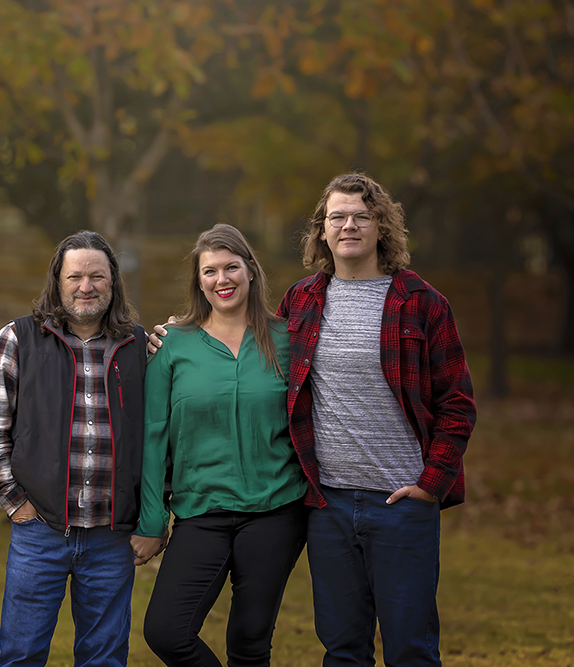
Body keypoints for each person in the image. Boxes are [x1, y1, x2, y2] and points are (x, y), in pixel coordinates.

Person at [278, 173, 477, 666]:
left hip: (402, 504)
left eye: (361, 216)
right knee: (343, 650)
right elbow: (255, 367)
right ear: (322, 231)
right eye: (337, 217)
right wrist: (178, 338)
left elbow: (457, 403)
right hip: (327, 506)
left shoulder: (423, 303)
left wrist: (430, 486)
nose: (349, 225)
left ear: (381, 227)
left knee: (410, 649)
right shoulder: (300, 301)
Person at [133, 224, 308, 667]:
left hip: (275, 511)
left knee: (250, 642)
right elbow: (153, 438)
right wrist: (152, 521)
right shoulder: (173, 346)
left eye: (232, 267)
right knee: (167, 632)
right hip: (200, 513)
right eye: (209, 271)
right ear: (199, 281)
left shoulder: (288, 340)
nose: (221, 279)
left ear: (251, 271)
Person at [0, 230, 148, 667]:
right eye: (75, 277)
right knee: (21, 654)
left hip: (113, 536)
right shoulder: (17, 339)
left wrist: (152, 514)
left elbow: (160, 437)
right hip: (40, 531)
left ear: (114, 282)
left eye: (97, 277)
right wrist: (16, 505)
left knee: (104, 659)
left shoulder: (141, 347)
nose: (85, 287)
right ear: (57, 280)